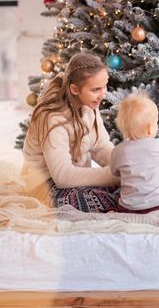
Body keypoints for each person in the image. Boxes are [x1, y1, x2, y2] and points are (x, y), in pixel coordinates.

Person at [21, 52, 119, 213]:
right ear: (74, 89)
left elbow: (101, 147)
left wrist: (125, 166)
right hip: (45, 185)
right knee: (100, 200)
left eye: (104, 86)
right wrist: (113, 176)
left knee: (129, 188)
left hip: (74, 182)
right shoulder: (51, 117)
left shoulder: (89, 104)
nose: (103, 94)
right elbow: (62, 176)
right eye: (96, 89)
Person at [110, 93, 159, 214]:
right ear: (149, 129)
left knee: (118, 201)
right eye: (156, 123)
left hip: (129, 208)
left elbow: (114, 172)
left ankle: (116, 213)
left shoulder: (118, 150)